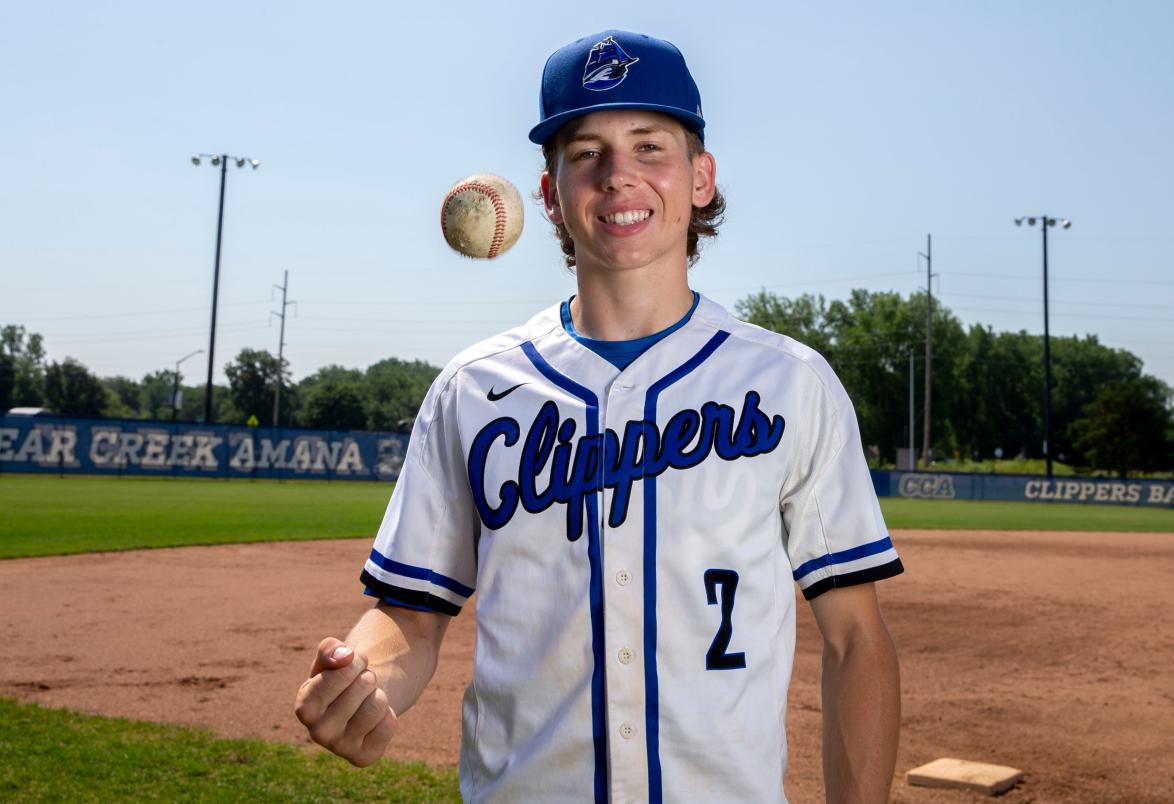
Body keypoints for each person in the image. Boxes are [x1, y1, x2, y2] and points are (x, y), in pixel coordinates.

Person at [294, 29, 903, 803]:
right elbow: (410, 616)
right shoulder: (474, 389)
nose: (619, 177)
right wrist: (364, 681)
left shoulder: (789, 383)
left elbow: (854, 639)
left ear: (700, 178)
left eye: (650, 147)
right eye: (585, 153)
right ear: (549, 193)